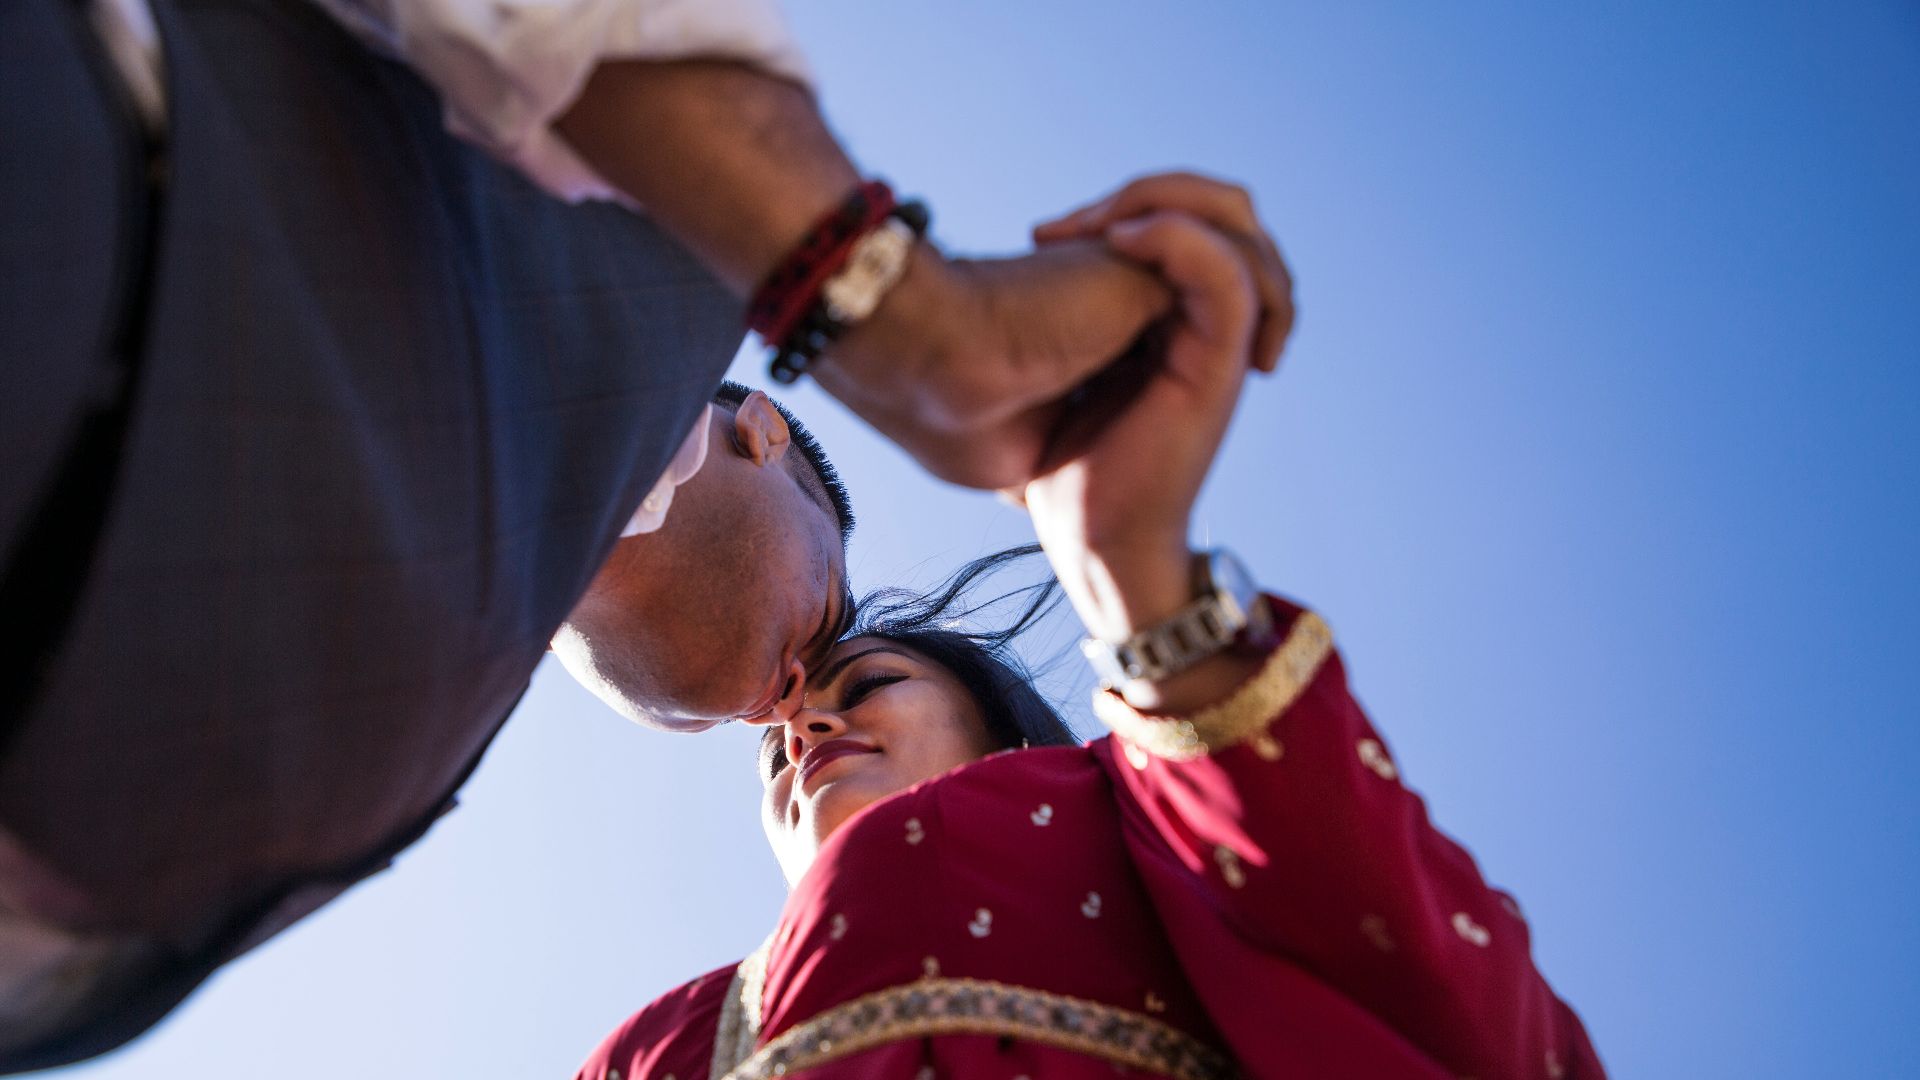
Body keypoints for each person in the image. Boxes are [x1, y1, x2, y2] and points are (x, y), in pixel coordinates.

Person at [0, 0, 1289, 1064]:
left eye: (788, 741)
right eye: (850, 649)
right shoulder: (662, 232)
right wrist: (898, 305)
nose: (799, 722)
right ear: (768, 439)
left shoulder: (433, 765)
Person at [573, 202, 1606, 1078]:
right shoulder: (660, 1049)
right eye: (769, 744)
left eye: (868, 677)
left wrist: (1130, 564)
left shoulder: (1146, 830)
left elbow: (1397, 936)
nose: (802, 721)